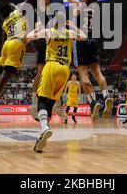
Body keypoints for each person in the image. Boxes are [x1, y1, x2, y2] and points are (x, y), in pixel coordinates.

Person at [26, 13, 87, 153]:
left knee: (42, 99)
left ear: (53, 22)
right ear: (64, 22)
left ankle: (45, 128)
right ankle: (42, 134)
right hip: (65, 70)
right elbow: (84, 36)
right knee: (50, 103)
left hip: (51, 66)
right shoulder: (69, 33)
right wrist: (73, 26)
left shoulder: (48, 32)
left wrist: (36, 29)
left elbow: (28, 37)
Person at [60, 0, 112, 120]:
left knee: (83, 73)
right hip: (93, 40)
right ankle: (106, 96)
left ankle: (93, 101)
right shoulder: (94, 6)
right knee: (97, 72)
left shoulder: (78, 5)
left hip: (80, 40)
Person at [28, 0, 69, 122]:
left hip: (51, 39)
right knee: (42, 70)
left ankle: (55, 103)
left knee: (55, 70)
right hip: (44, 38)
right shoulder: (42, 5)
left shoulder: (52, 11)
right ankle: (35, 102)